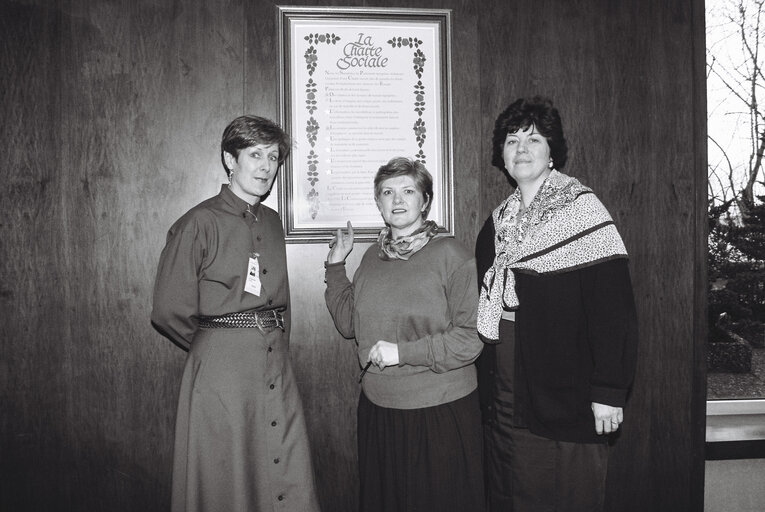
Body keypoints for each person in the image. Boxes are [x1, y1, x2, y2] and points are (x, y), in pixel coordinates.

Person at [476, 97, 638, 512]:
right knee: (516, 492)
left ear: (552, 152)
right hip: (510, 386)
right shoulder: (496, 224)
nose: (522, 149)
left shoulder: (584, 211)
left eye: (534, 139)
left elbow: (613, 310)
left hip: (568, 389)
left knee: (567, 493)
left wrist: (609, 390)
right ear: (502, 155)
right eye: (512, 140)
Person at [151, 115, 320, 512]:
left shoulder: (273, 222)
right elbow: (167, 310)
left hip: (274, 364)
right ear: (231, 160)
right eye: (255, 155)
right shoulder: (199, 222)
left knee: (281, 461)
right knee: (225, 471)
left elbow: (283, 303)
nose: (265, 166)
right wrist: (218, 346)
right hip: (222, 372)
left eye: (274, 157)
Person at [324, 157, 485, 512]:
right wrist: (336, 266)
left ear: (425, 200)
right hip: (380, 412)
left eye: (408, 191)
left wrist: (404, 353)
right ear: (378, 202)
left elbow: (472, 339)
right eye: (387, 192)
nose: (397, 200)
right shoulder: (371, 258)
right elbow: (349, 325)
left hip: (439, 413)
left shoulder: (451, 255)